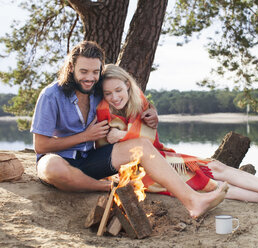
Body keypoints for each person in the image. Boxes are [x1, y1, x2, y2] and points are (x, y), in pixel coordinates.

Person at [30, 40, 228, 219]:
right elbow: (41, 145)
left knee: (141, 146)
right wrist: (85, 136)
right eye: (84, 72)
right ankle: (112, 187)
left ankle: (193, 201)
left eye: (95, 72)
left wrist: (152, 111)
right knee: (52, 168)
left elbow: (132, 96)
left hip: (90, 160)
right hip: (58, 160)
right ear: (71, 68)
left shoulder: (97, 89)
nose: (90, 78)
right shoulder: (51, 95)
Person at [97, 64, 258, 206]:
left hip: (160, 156)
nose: (114, 97)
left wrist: (124, 134)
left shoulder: (139, 102)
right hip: (142, 172)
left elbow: (147, 139)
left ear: (127, 85)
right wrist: (127, 135)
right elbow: (114, 148)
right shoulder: (102, 113)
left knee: (216, 167)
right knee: (214, 186)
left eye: (118, 90)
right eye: (108, 93)